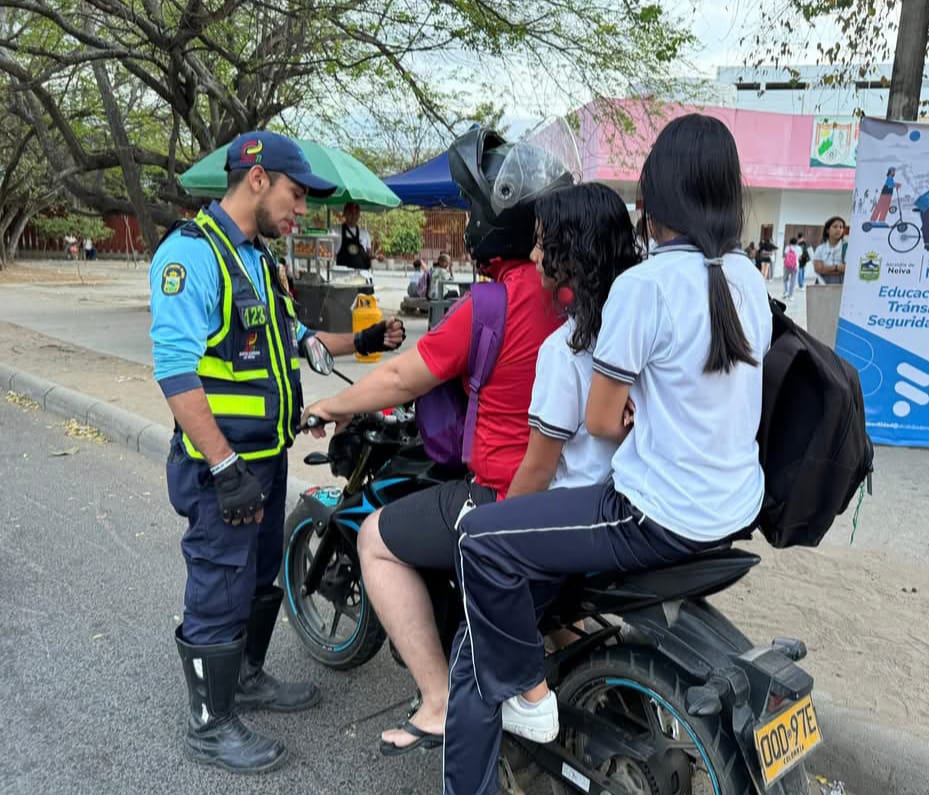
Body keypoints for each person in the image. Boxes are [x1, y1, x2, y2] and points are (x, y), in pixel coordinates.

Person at [443, 113, 772, 795]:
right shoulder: (746, 278)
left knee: (477, 536)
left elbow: (598, 419)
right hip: (731, 506)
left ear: (657, 197)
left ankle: (528, 693)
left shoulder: (641, 290)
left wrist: (634, 418)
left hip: (650, 515)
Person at [301, 126, 573, 756]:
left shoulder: (491, 303)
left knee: (377, 539)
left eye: (476, 212)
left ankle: (437, 701)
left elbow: (399, 376)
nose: (471, 223)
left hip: (507, 490)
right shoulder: (572, 292)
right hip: (575, 491)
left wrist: (329, 404)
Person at [148, 130, 405, 775]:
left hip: (263, 458)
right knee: (219, 582)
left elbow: (291, 338)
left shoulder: (256, 260)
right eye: (295, 195)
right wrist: (224, 467)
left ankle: (248, 679)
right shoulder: (193, 255)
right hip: (222, 466)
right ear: (257, 181)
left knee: (258, 575)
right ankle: (208, 724)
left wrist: (364, 338)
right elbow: (176, 373)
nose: (302, 212)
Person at [333, 201, 373, 271]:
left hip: (362, 275)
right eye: (350, 213)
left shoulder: (365, 233)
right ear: (344, 214)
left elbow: (369, 255)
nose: (353, 216)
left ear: (359, 215)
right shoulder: (335, 231)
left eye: (356, 213)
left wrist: (376, 257)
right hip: (342, 276)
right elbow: (329, 253)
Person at [813, 216, 847, 285]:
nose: (838, 229)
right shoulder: (820, 248)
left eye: (841, 227)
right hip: (822, 283)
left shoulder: (847, 248)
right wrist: (837, 267)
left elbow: (848, 269)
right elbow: (818, 269)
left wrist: (825, 269)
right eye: (835, 227)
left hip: (842, 284)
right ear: (827, 230)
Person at [782, 236, 799, 301]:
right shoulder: (798, 248)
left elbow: (785, 255)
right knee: (793, 281)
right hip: (795, 266)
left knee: (785, 279)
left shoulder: (787, 247)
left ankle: (786, 291)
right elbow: (799, 256)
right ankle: (791, 295)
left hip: (787, 266)